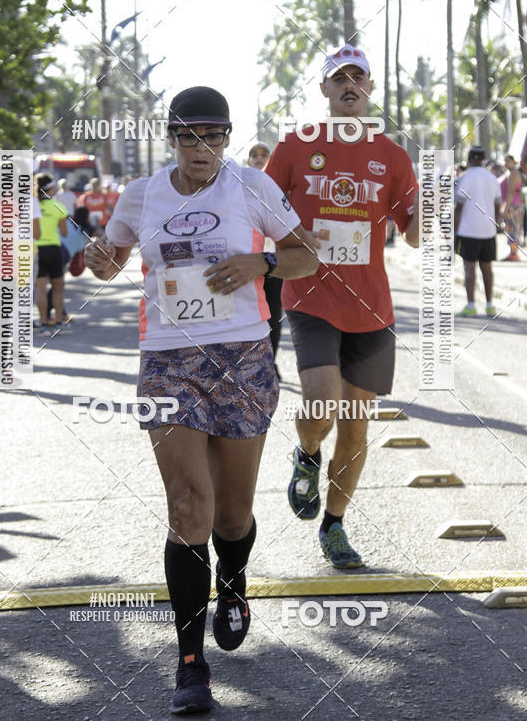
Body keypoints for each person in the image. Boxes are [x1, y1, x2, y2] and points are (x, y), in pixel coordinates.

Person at [85, 86, 317, 715]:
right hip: (168, 361)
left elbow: (307, 257)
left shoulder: (250, 186)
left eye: (214, 138)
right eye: (190, 138)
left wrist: (259, 263)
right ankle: (190, 663)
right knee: (189, 505)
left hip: (242, 357)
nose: (202, 150)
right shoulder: (141, 194)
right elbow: (109, 260)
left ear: (226, 139)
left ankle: (232, 581)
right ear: (173, 140)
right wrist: (99, 257)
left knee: (231, 516)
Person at [265, 43, 419, 570]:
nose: (350, 85)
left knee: (354, 425)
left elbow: (415, 234)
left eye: (359, 77)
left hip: (371, 307)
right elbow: (259, 211)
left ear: (370, 87)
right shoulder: (294, 146)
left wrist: (434, 207)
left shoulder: (392, 156)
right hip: (311, 295)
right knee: (321, 403)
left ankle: (334, 525)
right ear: (325, 89)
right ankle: (307, 452)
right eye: (340, 78)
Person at [247, 142, 284, 376]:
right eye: (254, 154)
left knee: (274, 312)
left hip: (274, 263)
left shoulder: (280, 187)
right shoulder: (238, 187)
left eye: (264, 154)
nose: (259, 158)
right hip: (247, 262)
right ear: (248, 160)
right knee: (249, 313)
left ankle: (271, 361)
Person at [455, 145, 502, 316]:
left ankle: (471, 306)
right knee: (487, 268)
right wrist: (494, 225)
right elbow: (498, 206)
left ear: (469, 159)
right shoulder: (493, 178)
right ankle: (489, 305)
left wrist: (453, 231)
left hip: (468, 230)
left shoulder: (465, 177)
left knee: (469, 268)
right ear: (483, 159)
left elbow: (459, 208)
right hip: (488, 230)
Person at [34, 174, 68, 334]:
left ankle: (43, 323)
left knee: (40, 288)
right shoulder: (58, 206)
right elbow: (64, 233)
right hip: (53, 249)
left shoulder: (31, 206)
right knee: (58, 287)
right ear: (50, 189)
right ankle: (59, 321)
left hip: (36, 250)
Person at [500, 154, 524, 261]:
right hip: (517, 205)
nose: (506, 163)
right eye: (505, 161)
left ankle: (514, 254)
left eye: (508, 161)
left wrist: (505, 209)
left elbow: (510, 193)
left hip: (514, 206)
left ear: (513, 162)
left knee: (513, 230)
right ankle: (513, 253)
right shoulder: (515, 172)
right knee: (514, 229)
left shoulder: (514, 173)